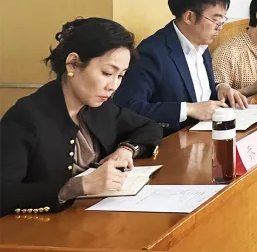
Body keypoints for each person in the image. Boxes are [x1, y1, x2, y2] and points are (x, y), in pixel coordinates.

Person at [2, 18, 162, 216]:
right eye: (107, 73)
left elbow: (149, 127)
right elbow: (4, 194)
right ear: (73, 64)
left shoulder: (97, 106)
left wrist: (127, 150)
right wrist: (76, 186)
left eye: (120, 76)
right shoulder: (26, 116)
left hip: (93, 217)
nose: (113, 86)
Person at [114, 0, 248, 135]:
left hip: (204, 136)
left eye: (222, 20)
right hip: (169, 141)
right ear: (189, 17)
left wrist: (220, 88)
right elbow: (127, 107)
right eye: (215, 20)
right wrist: (188, 109)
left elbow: (195, 89)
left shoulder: (202, 46)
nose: (219, 27)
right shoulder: (153, 52)